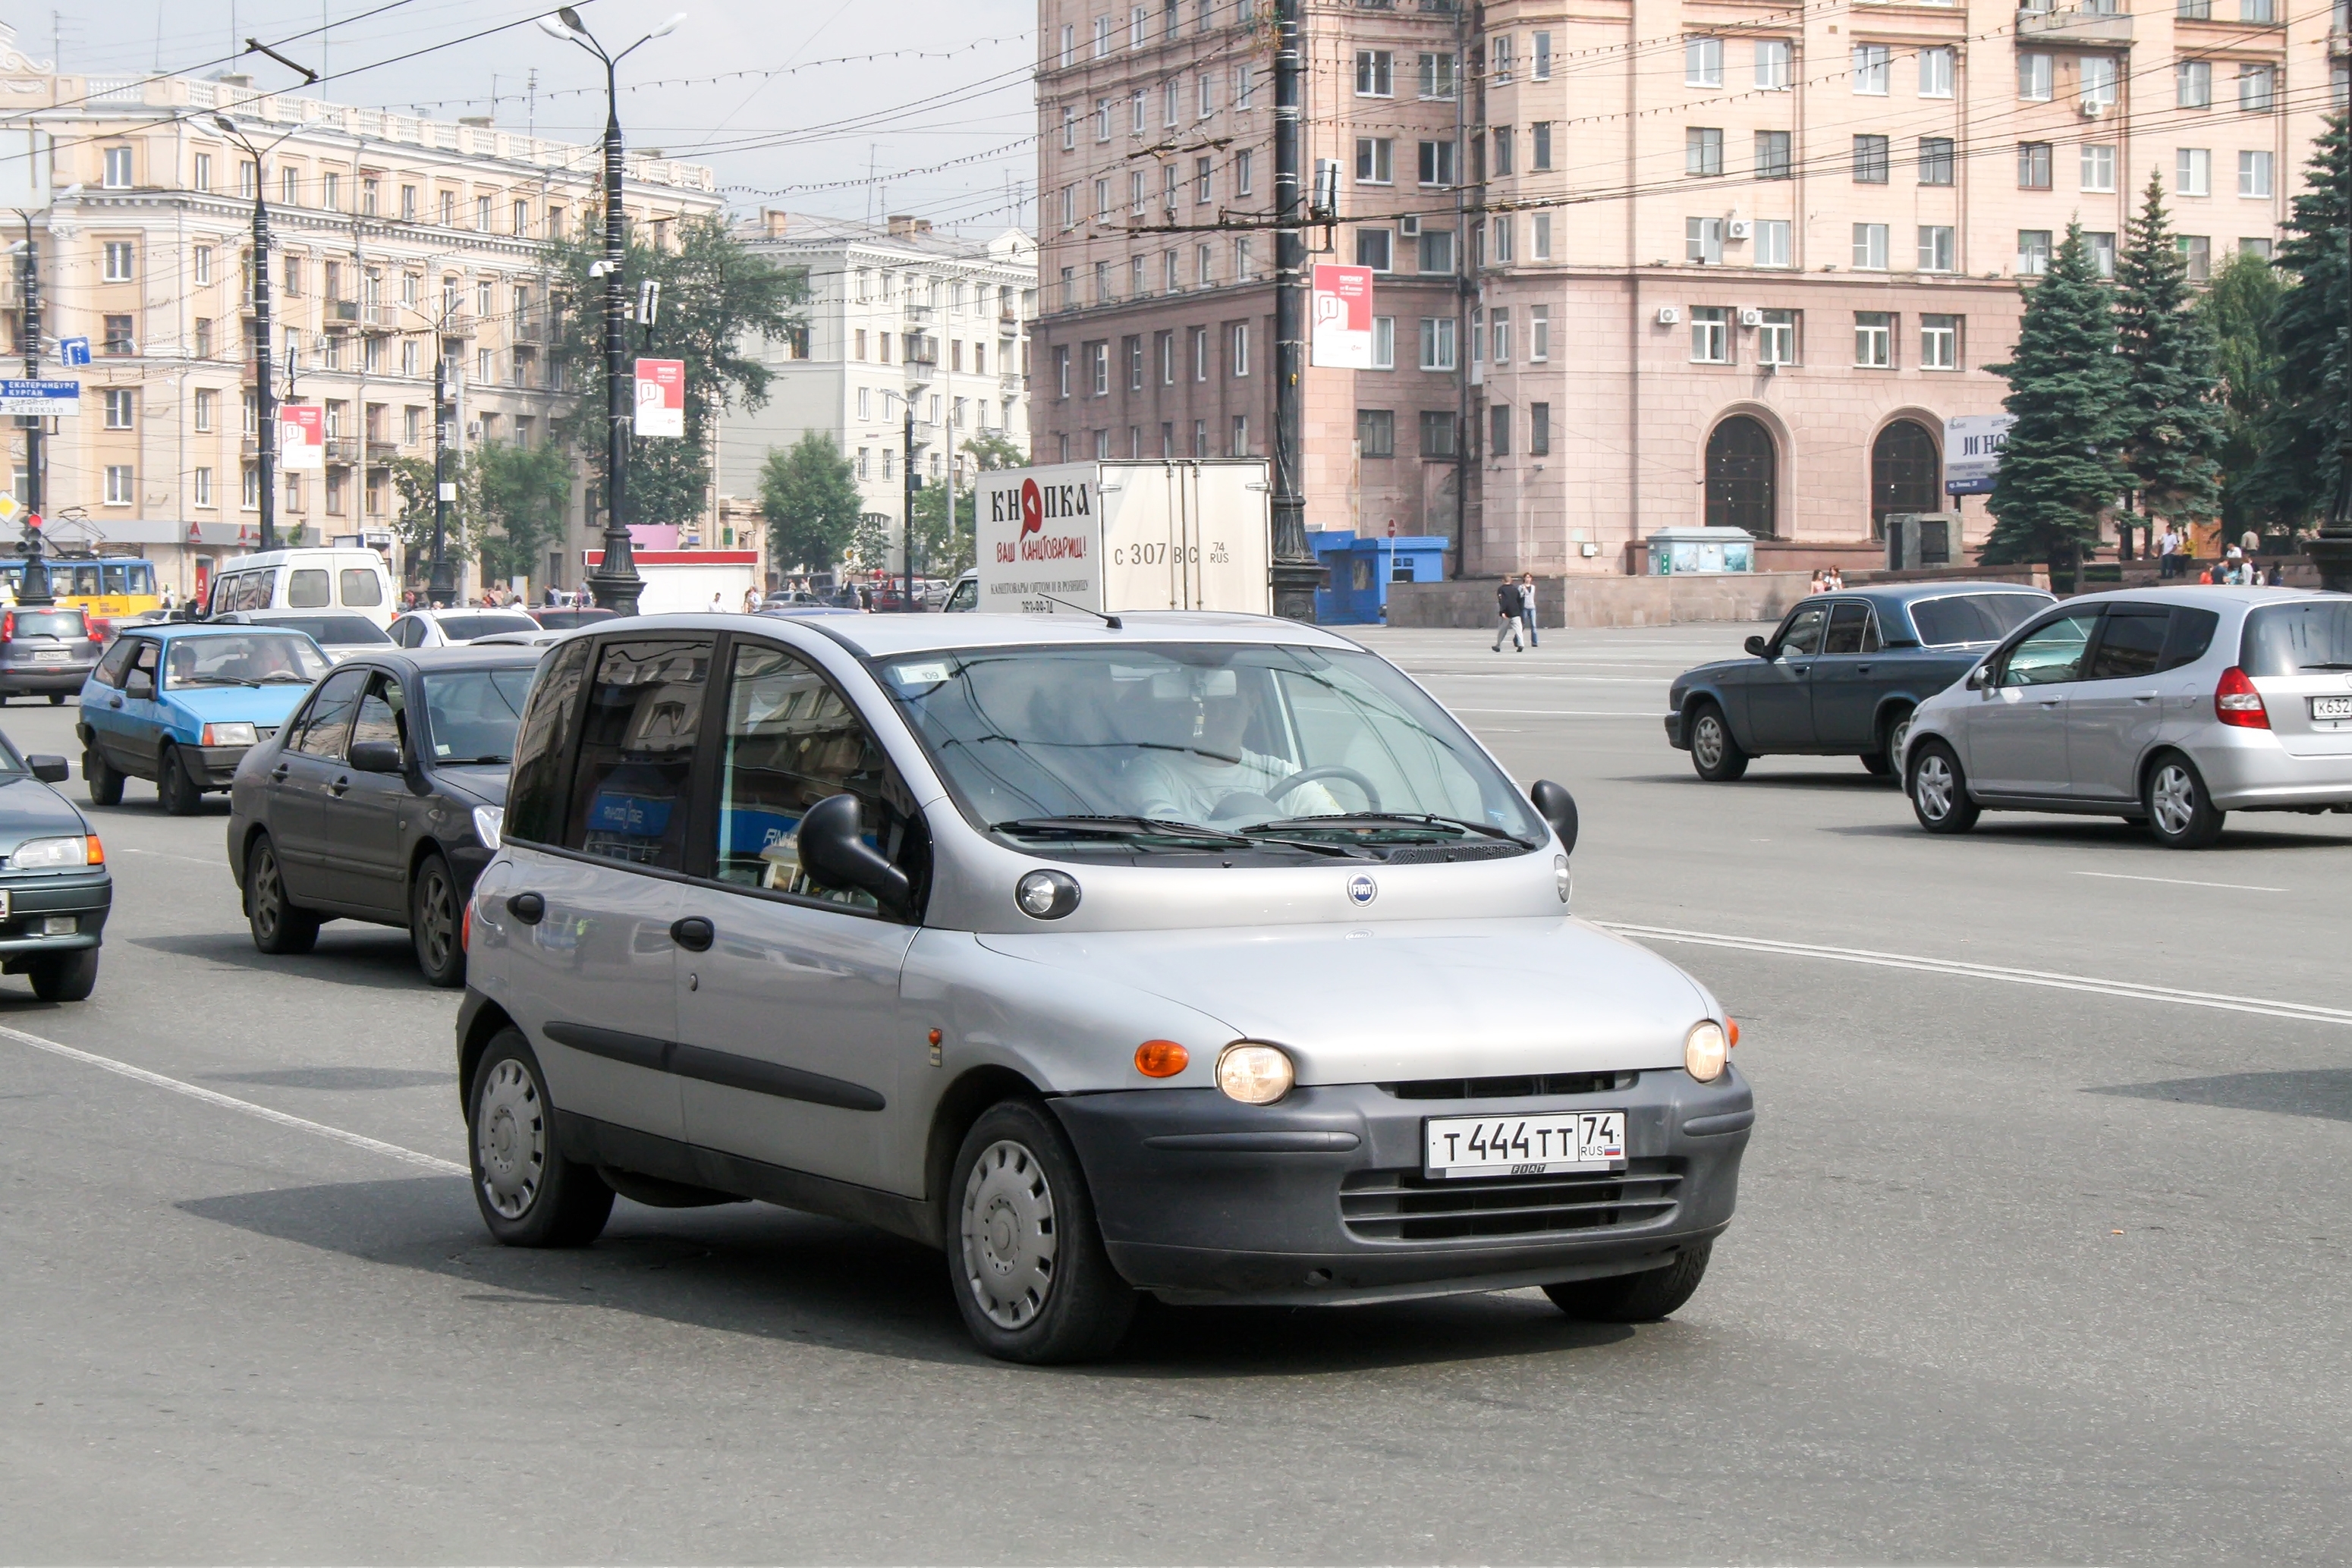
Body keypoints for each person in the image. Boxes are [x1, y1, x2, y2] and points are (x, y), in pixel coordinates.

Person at [1492, 577, 1523, 652]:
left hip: (1506, 613)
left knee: (1502, 630)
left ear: (1503, 581)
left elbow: (1502, 601)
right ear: (1511, 581)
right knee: (1519, 630)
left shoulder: (1501, 589)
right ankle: (1521, 644)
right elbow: (1520, 600)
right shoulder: (1515, 589)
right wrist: (1520, 610)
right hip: (1516, 612)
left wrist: (1502, 611)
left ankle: (1498, 645)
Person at [1518, 572, 1540, 648]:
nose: (1528, 579)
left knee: (1533, 625)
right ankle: (1517, 639)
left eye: (1529, 577)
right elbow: (1519, 597)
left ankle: (1534, 642)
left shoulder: (1533, 587)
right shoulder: (1521, 587)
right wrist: (1523, 591)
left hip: (1532, 607)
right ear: (1524, 578)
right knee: (1522, 625)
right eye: (1527, 577)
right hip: (1524, 607)